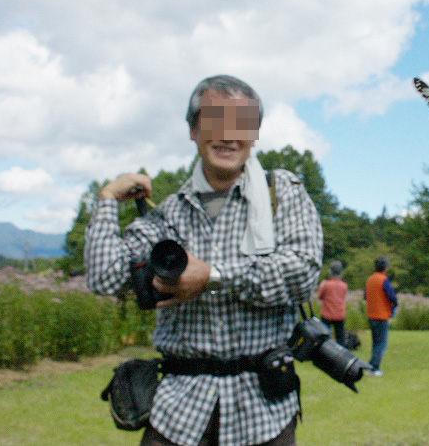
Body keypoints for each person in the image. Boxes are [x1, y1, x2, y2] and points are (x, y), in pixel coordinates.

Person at [86, 75, 323, 446]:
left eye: (241, 124)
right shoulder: (167, 214)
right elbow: (104, 278)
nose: (228, 135)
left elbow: (303, 273)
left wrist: (212, 276)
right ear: (194, 131)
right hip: (179, 408)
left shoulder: (283, 192)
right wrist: (105, 201)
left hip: (263, 409)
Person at [364, 256, 398, 377]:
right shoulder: (384, 280)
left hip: (371, 314)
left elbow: (365, 296)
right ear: (386, 267)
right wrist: (394, 306)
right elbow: (392, 296)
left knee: (375, 342)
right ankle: (375, 368)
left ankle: (370, 365)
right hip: (382, 315)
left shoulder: (370, 279)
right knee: (382, 343)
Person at [317, 260, 348, 345]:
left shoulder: (326, 284)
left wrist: (321, 286)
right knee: (340, 337)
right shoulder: (344, 285)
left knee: (325, 337)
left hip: (327, 314)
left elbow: (320, 296)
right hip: (340, 314)